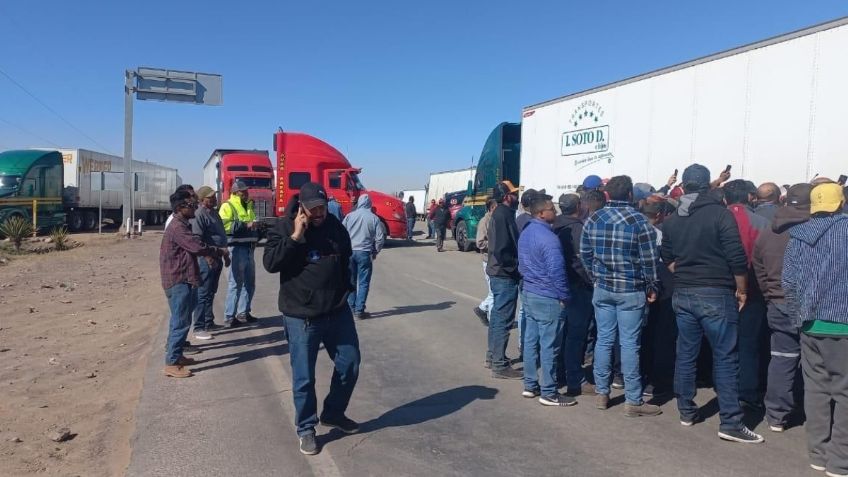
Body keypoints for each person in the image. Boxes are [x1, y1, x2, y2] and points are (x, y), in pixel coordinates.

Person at [660, 164, 764, 443]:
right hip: (716, 292)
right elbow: (736, 258)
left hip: (684, 292)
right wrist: (742, 290)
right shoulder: (721, 214)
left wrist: (683, 273)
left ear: (684, 185)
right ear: (708, 186)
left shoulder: (672, 219)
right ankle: (730, 422)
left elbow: (666, 256)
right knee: (726, 358)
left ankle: (686, 410)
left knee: (686, 352)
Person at [262, 182, 359, 456]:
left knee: (350, 363)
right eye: (313, 208)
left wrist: (346, 291)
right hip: (302, 316)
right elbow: (270, 264)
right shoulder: (283, 227)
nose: (319, 212)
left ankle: (334, 412)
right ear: (302, 207)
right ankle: (306, 428)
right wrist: (296, 236)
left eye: (322, 206)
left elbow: (345, 258)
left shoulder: (335, 226)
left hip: (337, 311)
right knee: (304, 378)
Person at [580, 175, 661, 417]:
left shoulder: (594, 218)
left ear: (608, 195)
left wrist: (595, 276)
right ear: (629, 195)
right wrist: (652, 286)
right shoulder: (640, 222)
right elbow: (650, 260)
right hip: (631, 290)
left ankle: (602, 393)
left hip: (603, 288)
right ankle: (633, 400)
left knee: (604, 340)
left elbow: (584, 254)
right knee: (629, 344)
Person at [782, 183, 848, 475]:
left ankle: (818, 454)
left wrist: (798, 318)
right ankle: (841, 460)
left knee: (817, 389)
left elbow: (789, 282)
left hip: (809, 323)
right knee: (845, 393)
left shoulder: (799, 234)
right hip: (843, 324)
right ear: (841, 202)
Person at [752, 183, 812, 433]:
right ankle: (817, 414)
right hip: (810, 305)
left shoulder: (768, 231)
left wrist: (769, 295)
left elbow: (759, 266)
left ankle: (776, 414)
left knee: (782, 359)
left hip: (777, 303)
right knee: (815, 362)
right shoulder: (815, 232)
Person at [160, 189, 228, 378]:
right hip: (177, 279)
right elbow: (196, 246)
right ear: (181, 207)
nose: (196, 208)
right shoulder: (177, 227)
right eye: (192, 205)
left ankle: (178, 355)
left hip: (183, 278)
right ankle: (171, 362)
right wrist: (218, 251)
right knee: (180, 321)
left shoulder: (183, 223)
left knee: (182, 319)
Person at [518, 193, 576, 407]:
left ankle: (530, 384)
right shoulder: (550, 239)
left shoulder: (526, 232)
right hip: (547, 295)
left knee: (531, 341)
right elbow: (556, 271)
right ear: (542, 213)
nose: (556, 212)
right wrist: (564, 296)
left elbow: (522, 263)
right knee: (549, 345)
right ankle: (549, 391)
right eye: (552, 209)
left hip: (530, 292)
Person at [724, 179, 770, 411]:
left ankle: (722, 384)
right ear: (751, 197)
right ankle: (749, 392)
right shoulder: (762, 222)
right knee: (748, 342)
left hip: (720, 285)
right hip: (752, 287)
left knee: (721, 341)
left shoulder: (717, 218)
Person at [553, 193, 594, 396]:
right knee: (576, 336)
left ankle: (561, 372)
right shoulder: (577, 229)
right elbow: (581, 262)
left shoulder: (555, 224)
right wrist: (591, 281)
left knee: (564, 334)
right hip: (577, 287)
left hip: (561, 286)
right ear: (578, 206)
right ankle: (575, 379)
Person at [486, 180, 522, 379]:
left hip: (500, 272)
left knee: (498, 317)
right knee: (503, 319)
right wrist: (515, 269)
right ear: (507, 196)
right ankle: (499, 363)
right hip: (504, 274)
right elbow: (501, 249)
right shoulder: (502, 214)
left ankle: (493, 357)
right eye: (513, 194)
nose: (516, 197)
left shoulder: (502, 213)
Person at [191, 186, 230, 340]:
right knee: (203, 292)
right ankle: (199, 327)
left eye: (214, 197)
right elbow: (197, 240)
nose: (214, 199)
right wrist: (207, 257)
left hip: (218, 256)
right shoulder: (199, 215)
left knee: (211, 291)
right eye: (210, 197)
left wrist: (225, 255)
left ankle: (208, 321)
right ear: (201, 200)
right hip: (207, 259)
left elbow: (221, 234)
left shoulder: (214, 213)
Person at [220, 180, 259, 327]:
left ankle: (243, 313)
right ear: (236, 192)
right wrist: (245, 225)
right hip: (236, 249)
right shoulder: (227, 206)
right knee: (235, 283)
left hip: (249, 248)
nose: (246, 192)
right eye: (243, 191)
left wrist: (257, 229)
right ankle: (229, 316)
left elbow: (251, 224)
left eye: (246, 190)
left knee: (249, 283)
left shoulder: (249, 205)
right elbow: (224, 226)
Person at [343, 193, 385, 320]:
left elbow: (341, 232)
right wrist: (375, 251)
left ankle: (351, 307)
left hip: (350, 252)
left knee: (350, 281)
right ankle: (359, 310)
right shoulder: (374, 218)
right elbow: (380, 238)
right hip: (365, 253)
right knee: (363, 282)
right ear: (369, 204)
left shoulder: (349, 216)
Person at [473, 198, 498, 327]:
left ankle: (483, 309)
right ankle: (492, 319)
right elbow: (480, 242)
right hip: (488, 260)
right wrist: (496, 244)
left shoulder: (497, 220)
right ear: (492, 208)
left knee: (494, 291)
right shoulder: (485, 221)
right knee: (494, 292)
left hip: (497, 261)